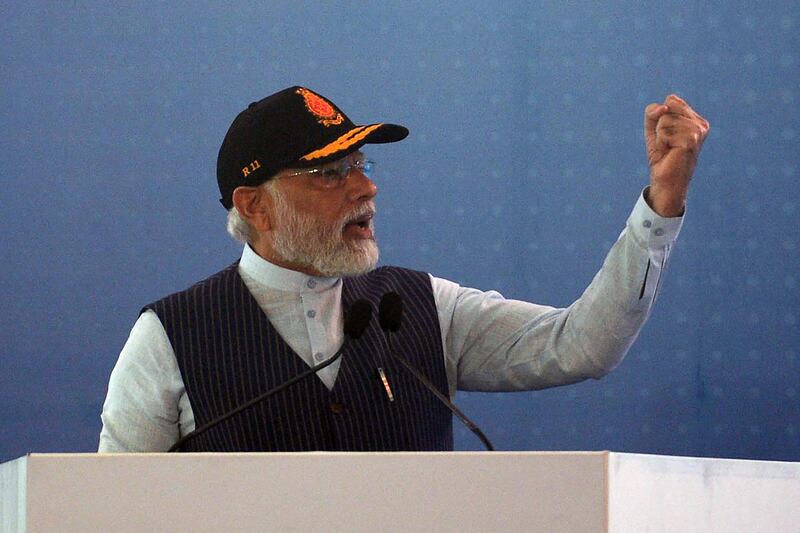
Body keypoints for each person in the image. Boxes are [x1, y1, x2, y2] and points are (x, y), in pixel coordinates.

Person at [98, 86, 709, 452]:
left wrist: (662, 203)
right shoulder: (169, 339)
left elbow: (582, 345)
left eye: (359, 163)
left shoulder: (420, 307)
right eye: (329, 173)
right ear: (256, 205)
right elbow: (106, 514)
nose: (366, 186)